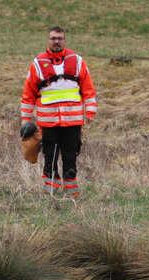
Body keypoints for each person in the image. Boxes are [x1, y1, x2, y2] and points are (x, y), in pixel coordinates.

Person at [20, 26, 98, 198]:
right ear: (48, 40)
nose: (56, 41)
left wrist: (90, 111)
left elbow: (88, 88)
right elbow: (28, 93)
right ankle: (50, 189)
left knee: (71, 155)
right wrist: (25, 119)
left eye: (59, 38)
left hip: (73, 120)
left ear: (65, 40)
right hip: (48, 121)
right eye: (53, 38)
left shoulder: (77, 61)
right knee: (50, 156)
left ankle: (71, 191)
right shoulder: (38, 63)